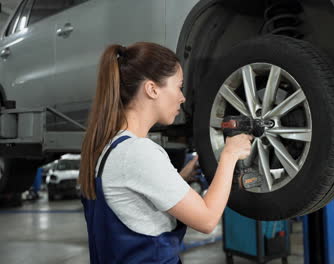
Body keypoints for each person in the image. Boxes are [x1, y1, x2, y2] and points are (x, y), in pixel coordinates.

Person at [79, 42, 252, 263]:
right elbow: (207, 220)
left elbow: (135, 201)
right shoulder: (138, 152)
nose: (182, 97)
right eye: (179, 86)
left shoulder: (106, 146)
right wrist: (230, 154)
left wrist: (181, 178)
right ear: (152, 89)